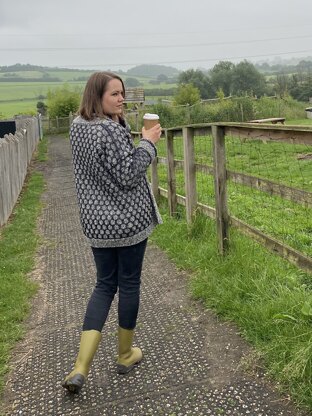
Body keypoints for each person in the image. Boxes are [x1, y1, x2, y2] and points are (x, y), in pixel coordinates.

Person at [62, 71, 162, 394]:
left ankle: (80, 367)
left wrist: (124, 127)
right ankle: (124, 354)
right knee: (129, 283)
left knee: (104, 285)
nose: (121, 100)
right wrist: (148, 144)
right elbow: (130, 174)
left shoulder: (78, 127)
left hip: (97, 224)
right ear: (97, 96)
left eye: (123, 94)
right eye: (114, 95)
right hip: (128, 224)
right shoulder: (109, 130)